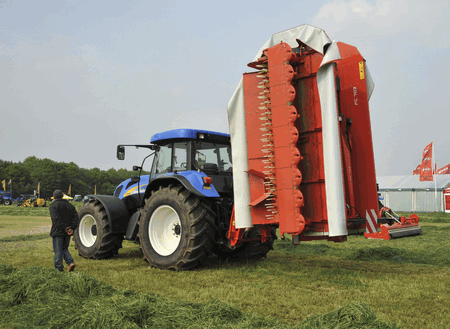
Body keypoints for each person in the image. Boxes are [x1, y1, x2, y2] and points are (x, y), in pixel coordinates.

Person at [49, 189, 78, 272]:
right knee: (65, 248)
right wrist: (71, 228)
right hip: (68, 231)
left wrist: (64, 228)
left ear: (54, 197)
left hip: (58, 231)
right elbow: (75, 218)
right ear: (62, 196)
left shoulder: (53, 206)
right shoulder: (70, 206)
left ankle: (59, 268)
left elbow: (56, 220)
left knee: (58, 251)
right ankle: (70, 263)